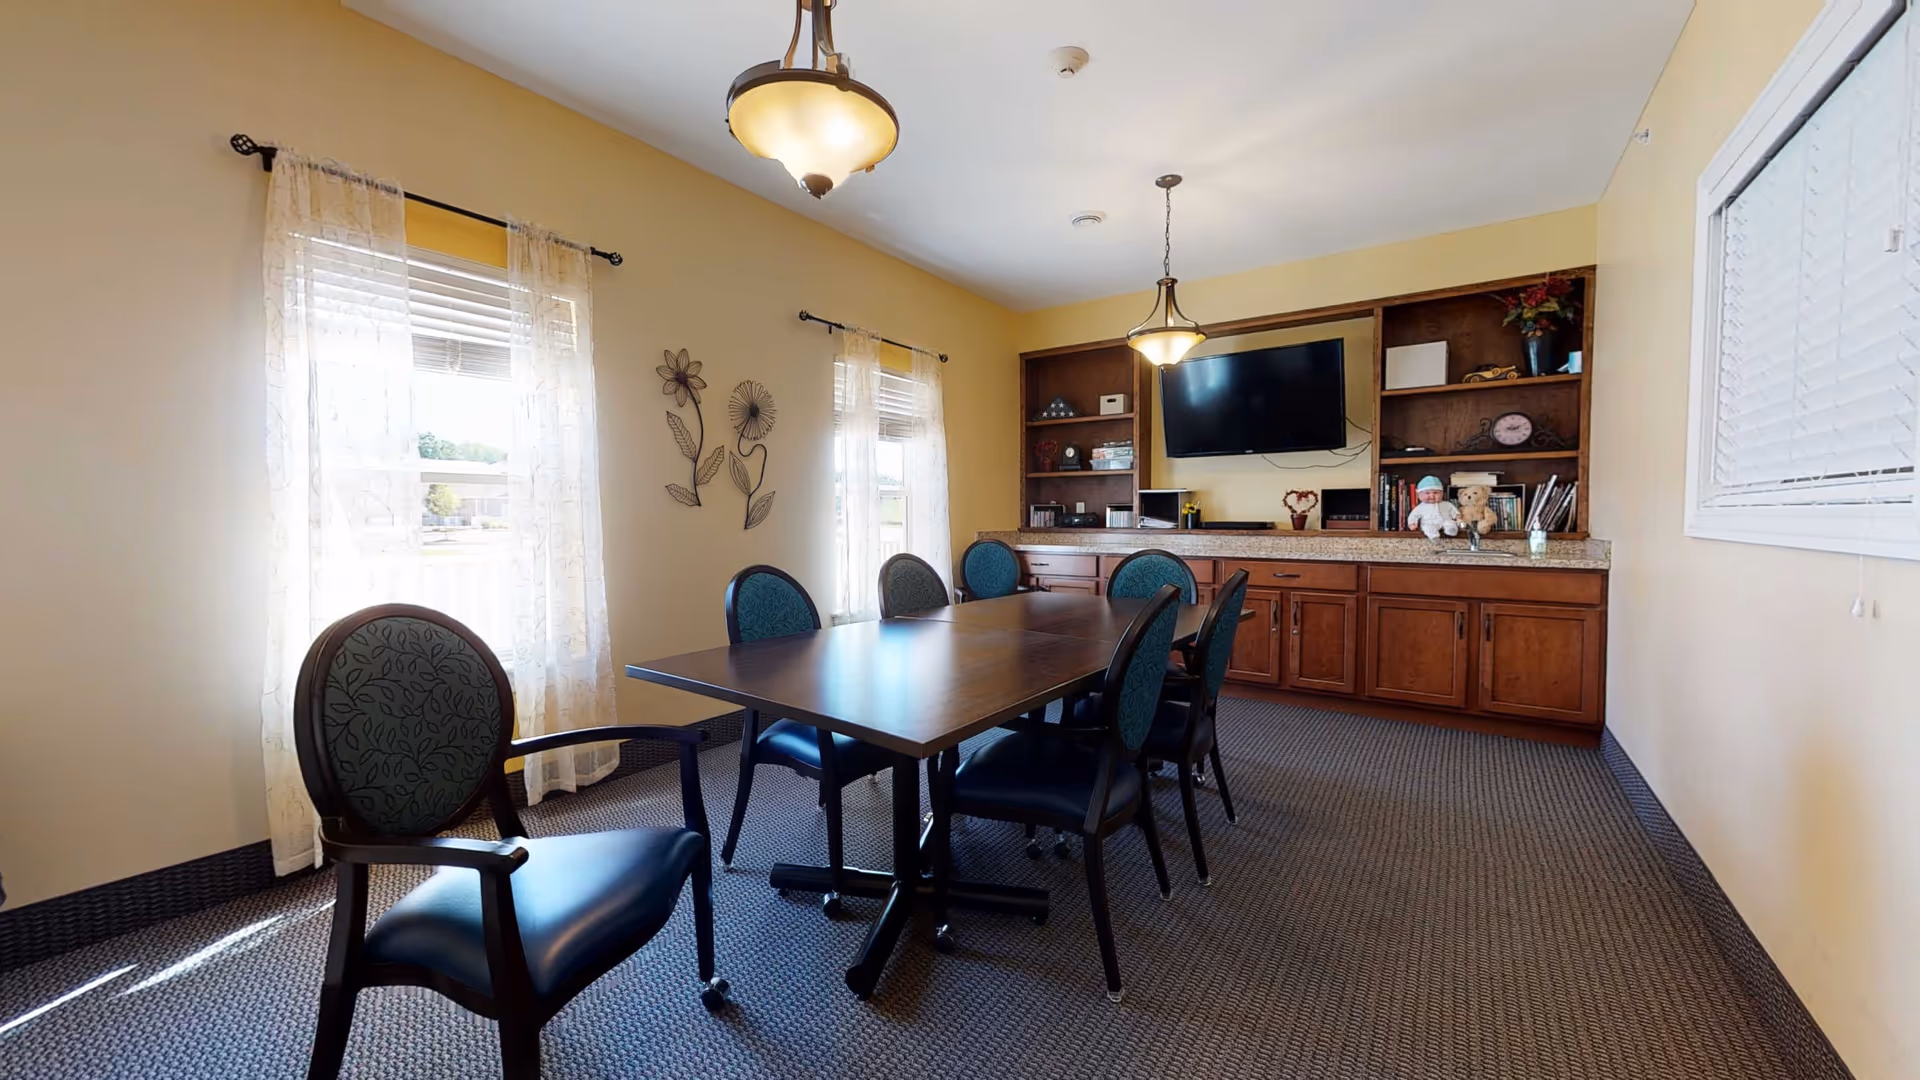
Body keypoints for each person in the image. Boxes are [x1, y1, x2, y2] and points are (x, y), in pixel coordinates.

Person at [1405, 475, 1460, 540]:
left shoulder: (1447, 504)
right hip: (1429, 523)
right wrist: (1412, 523)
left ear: (1442, 494)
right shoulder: (1420, 507)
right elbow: (1413, 515)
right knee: (1427, 528)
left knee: (1450, 523)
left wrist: (1458, 518)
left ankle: (1451, 530)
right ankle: (1434, 536)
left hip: (1445, 521)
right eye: (1427, 493)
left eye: (1436, 493)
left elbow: (1454, 512)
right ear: (1419, 495)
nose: (1432, 496)